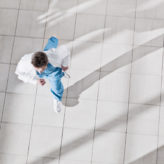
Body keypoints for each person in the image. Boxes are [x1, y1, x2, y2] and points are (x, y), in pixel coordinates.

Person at [15, 36, 70, 113]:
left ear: (47, 62)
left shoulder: (55, 56)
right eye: (38, 69)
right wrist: (34, 80)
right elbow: (20, 74)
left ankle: (57, 98)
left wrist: (65, 65)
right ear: (32, 64)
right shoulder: (24, 62)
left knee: (56, 87)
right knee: (48, 49)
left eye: (43, 69)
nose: (41, 72)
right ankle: (53, 41)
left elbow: (66, 50)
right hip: (45, 56)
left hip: (53, 72)